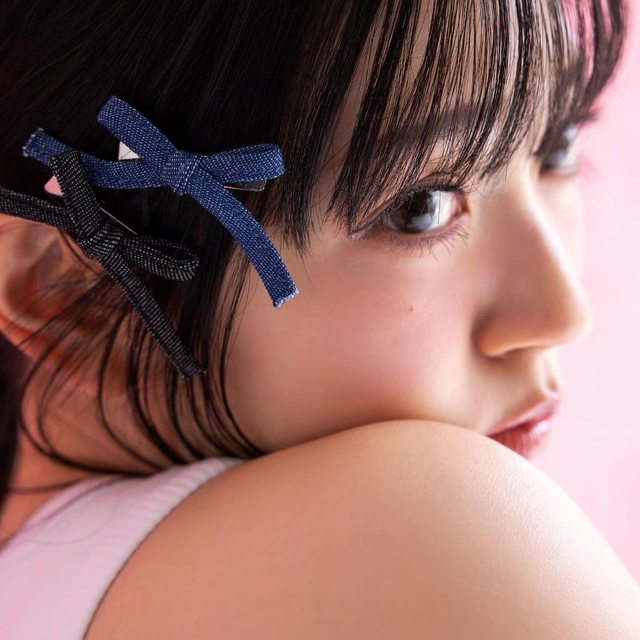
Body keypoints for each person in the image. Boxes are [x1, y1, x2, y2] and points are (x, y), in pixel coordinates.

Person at [0, 1, 639, 638]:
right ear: (61, 291)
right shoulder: (425, 529)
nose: (562, 314)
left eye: (559, 147)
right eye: (419, 206)